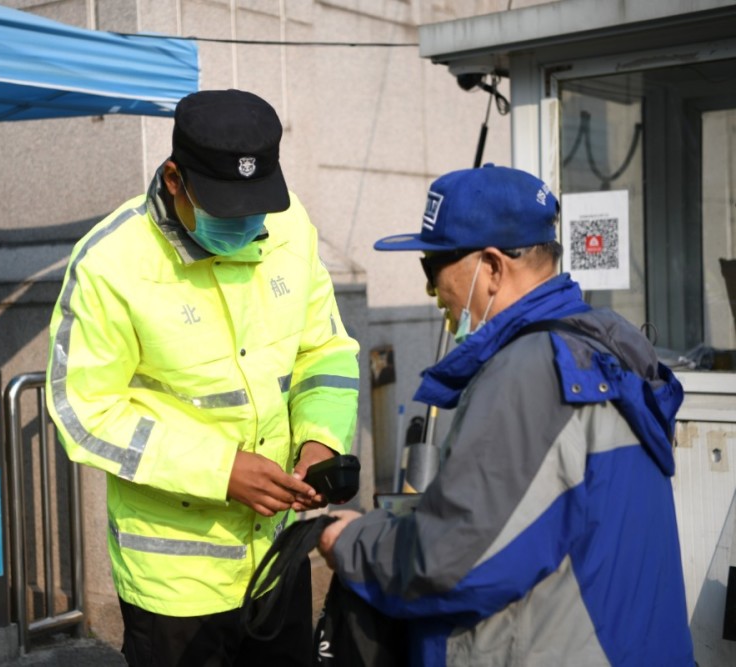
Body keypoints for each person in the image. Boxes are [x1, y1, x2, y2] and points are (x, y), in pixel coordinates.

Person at [318, 164, 694, 666]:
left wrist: (352, 541)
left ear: (492, 267)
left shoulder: (528, 373)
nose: (434, 296)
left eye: (432, 269)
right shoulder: (604, 343)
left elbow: (450, 561)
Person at [45, 88, 360, 667]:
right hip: (174, 585)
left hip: (278, 556)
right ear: (173, 179)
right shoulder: (110, 263)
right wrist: (220, 471)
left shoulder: (292, 228)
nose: (246, 225)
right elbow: (82, 410)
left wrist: (320, 439)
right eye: (225, 210)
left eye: (256, 207)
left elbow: (325, 349)